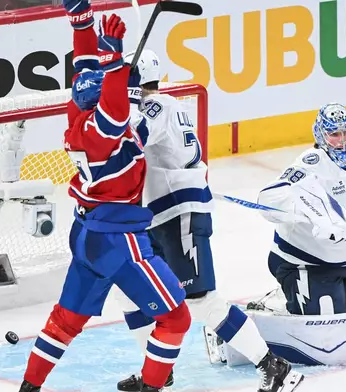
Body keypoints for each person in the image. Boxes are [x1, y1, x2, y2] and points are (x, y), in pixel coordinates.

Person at [18, 3, 191, 392]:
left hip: (86, 233)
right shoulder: (103, 133)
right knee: (176, 319)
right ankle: (152, 387)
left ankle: (29, 387)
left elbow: (84, 70)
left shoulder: (77, 117)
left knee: (64, 321)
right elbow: (114, 110)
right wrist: (113, 60)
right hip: (120, 241)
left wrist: (82, 23)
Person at [112, 49, 304, 392]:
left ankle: (274, 366)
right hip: (156, 217)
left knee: (200, 301)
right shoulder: (153, 105)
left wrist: (124, 100)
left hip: (180, 215)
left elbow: (134, 139)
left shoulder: (159, 105)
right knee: (130, 292)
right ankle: (157, 371)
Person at [212, 103, 346, 367]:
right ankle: (254, 318)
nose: (341, 141)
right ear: (319, 135)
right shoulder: (310, 165)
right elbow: (268, 198)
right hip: (303, 264)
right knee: (325, 340)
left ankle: (295, 300)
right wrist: (314, 213)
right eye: (333, 135)